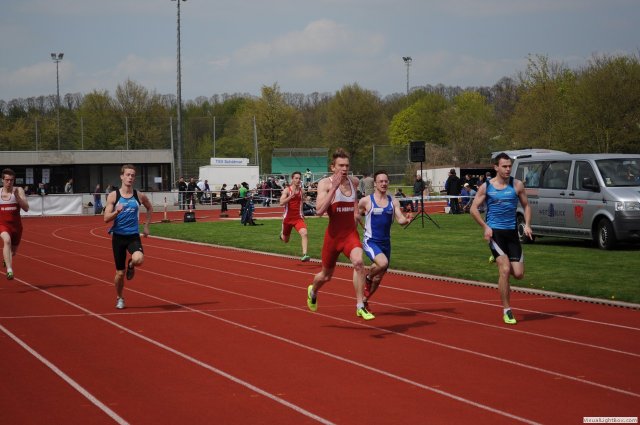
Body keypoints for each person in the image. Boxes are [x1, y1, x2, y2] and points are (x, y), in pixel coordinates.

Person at [306, 148, 374, 320]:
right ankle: (313, 291)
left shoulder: (354, 182)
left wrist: (357, 214)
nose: (344, 169)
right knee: (326, 276)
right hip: (333, 237)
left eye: (347, 165)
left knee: (359, 262)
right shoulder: (325, 184)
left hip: (350, 235)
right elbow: (319, 211)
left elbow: (355, 202)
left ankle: (360, 306)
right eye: (341, 165)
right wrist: (334, 188)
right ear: (333, 167)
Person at [470, 152, 532, 325]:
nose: (508, 169)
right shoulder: (486, 187)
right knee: (504, 270)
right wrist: (485, 227)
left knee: (518, 274)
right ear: (496, 167)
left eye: (509, 166)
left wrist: (527, 224)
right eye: (504, 166)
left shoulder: (517, 185)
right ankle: (507, 310)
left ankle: (496, 257)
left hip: (511, 233)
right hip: (495, 233)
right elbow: (473, 209)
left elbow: (526, 206)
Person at [358, 170, 411, 312]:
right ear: (375, 184)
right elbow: (356, 214)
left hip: (386, 243)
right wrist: (360, 226)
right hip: (371, 241)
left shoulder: (393, 201)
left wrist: (406, 220)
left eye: (386, 181)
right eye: (380, 181)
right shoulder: (366, 201)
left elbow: (400, 219)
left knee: (379, 277)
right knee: (382, 263)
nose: (383, 183)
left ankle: (365, 300)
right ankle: (368, 277)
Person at [104, 164, 153, 309]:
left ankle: (131, 265)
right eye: (127, 175)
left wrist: (146, 225)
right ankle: (120, 298)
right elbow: (106, 218)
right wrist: (117, 212)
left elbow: (149, 207)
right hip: (118, 238)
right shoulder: (114, 196)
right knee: (120, 273)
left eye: (132, 175)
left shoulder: (139, 195)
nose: (130, 177)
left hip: (133, 236)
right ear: (122, 177)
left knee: (139, 259)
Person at [1, 169, 30, 280]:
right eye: (7, 180)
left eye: (11, 180)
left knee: (12, 252)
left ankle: (6, 259)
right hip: (2, 224)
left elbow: (26, 208)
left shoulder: (19, 190)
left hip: (16, 226)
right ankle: (9, 270)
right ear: (2, 180)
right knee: (7, 240)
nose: (9, 182)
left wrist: (17, 197)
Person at [279, 171, 310, 262]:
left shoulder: (301, 191)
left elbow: (301, 201)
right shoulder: (287, 190)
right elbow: (281, 203)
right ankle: (282, 234)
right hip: (288, 219)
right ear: (292, 179)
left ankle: (305, 254)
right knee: (286, 240)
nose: (298, 180)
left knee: (304, 233)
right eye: (296, 178)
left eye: (299, 178)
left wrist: (302, 212)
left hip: (298, 218)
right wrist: (290, 197)